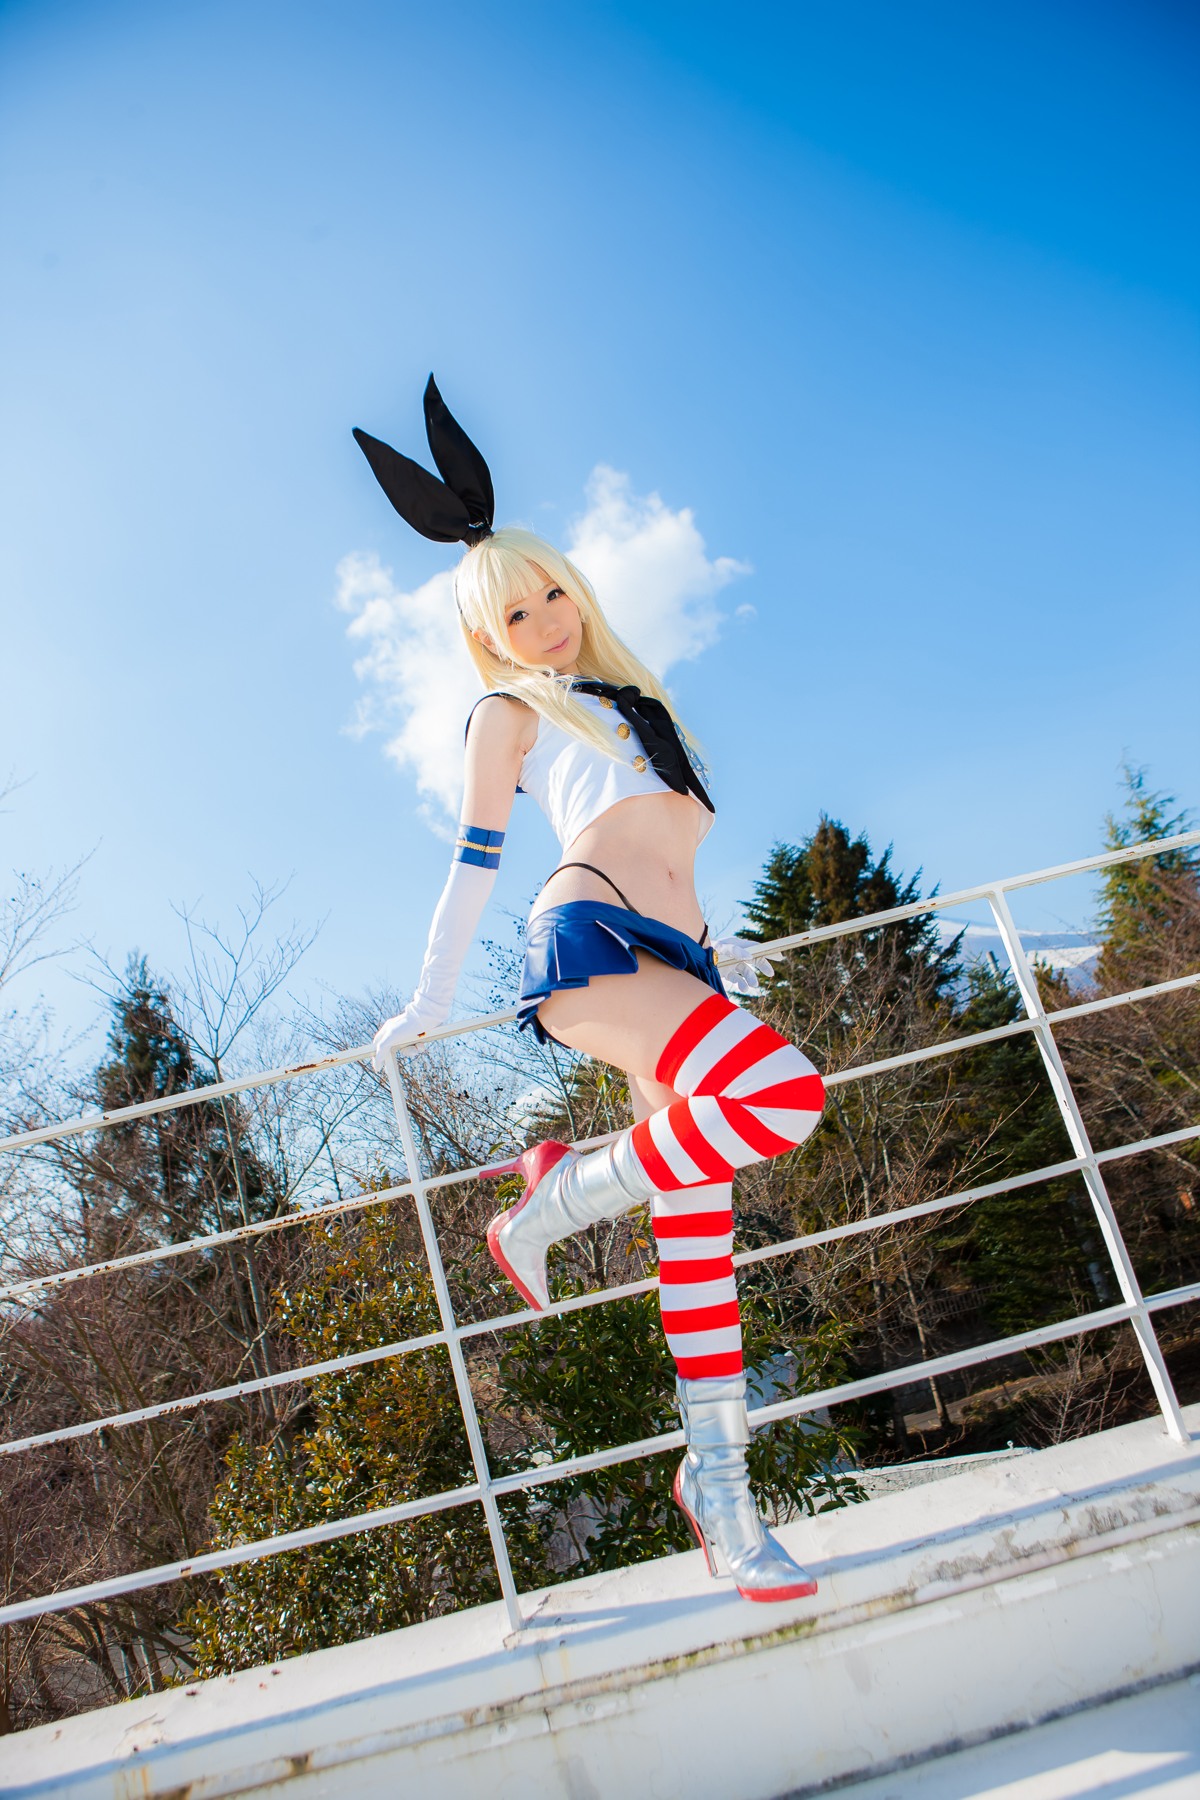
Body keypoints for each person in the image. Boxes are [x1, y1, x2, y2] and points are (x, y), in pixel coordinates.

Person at [354, 378, 826, 1602]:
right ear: (489, 638)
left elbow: (673, 850)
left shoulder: (637, 702)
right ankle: (555, 1196)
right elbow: (473, 862)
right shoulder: (507, 711)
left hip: (679, 957)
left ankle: (721, 1489)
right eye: (514, 613)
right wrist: (426, 1003)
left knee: (699, 1217)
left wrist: (726, 956)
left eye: (551, 593)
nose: (544, 620)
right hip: (590, 943)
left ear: (577, 588)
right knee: (784, 1095)